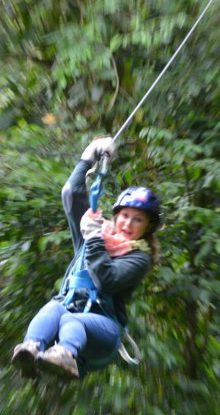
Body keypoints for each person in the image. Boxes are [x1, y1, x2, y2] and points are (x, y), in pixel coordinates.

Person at [11, 137, 161, 380]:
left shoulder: (138, 258)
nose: (128, 223)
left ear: (147, 228)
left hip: (104, 331)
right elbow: (71, 194)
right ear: (116, 215)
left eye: (138, 219)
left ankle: (65, 355)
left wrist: (92, 239)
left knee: (70, 318)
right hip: (68, 316)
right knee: (53, 308)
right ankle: (30, 350)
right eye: (124, 215)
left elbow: (107, 281)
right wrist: (89, 156)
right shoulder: (97, 230)